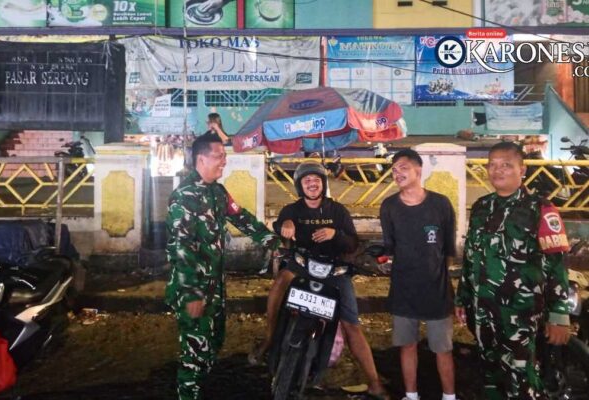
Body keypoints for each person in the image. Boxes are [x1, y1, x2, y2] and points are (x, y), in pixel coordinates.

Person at [249, 161, 389, 400]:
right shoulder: (292, 210)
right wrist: (285, 225)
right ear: (299, 186)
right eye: (307, 181)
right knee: (279, 284)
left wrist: (336, 234)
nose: (312, 184)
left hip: (334, 270)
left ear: (323, 184)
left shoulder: (338, 211)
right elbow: (280, 225)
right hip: (302, 266)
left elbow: (352, 243)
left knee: (351, 325)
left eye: (316, 180)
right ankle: (269, 338)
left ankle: (374, 382)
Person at [165, 133, 280, 400]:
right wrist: (192, 293)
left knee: (214, 342)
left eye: (225, 156)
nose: (224, 162)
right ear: (201, 159)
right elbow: (180, 249)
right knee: (195, 352)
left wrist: (272, 241)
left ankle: (199, 387)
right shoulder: (183, 197)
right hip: (193, 287)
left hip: (215, 285)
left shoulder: (217, 192)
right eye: (219, 156)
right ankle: (187, 394)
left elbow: (241, 218)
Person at [455, 142, 570, 399]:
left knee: (522, 377)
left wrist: (559, 315)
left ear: (522, 170)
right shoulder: (481, 207)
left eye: (506, 165)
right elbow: (471, 256)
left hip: (521, 313)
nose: (497, 170)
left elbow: (556, 263)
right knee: (489, 374)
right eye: (492, 165)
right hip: (483, 310)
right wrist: (463, 297)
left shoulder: (541, 209)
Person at [379, 149, 457, 400]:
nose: (397, 174)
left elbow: (448, 250)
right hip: (403, 289)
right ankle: (411, 395)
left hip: (436, 290)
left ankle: (449, 396)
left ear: (418, 170)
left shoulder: (441, 204)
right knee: (407, 345)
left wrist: (438, 277)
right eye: (393, 170)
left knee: (443, 348)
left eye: (403, 168)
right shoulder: (389, 206)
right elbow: (389, 247)